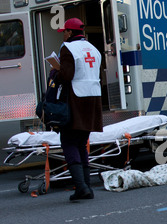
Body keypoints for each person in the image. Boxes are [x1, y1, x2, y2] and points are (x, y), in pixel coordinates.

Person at [54, 18, 103, 201]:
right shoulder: (93, 49)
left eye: (65, 31)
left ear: (70, 32)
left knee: (68, 142)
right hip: (93, 98)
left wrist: (54, 72)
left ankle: (81, 187)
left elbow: (66, 75)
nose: (64, 35)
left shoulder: (68, 48)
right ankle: (87, 186)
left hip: (76, 99)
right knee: (81, 143)